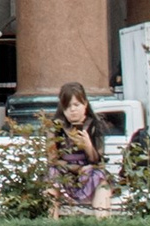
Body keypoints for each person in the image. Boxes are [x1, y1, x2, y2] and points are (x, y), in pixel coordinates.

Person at [46, 79, 117, 215]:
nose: (72, 110)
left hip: (88, 173)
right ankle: (52, 222)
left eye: (76, 105)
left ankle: (102, 222)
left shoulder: (95, 125)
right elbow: (52, 159)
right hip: (65, 173)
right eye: (67, 106)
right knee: (52, 177)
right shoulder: (56, 127)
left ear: (85, 104)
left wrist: (88, 144)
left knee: (101, 180)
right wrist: (73, 167)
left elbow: (97, 160)